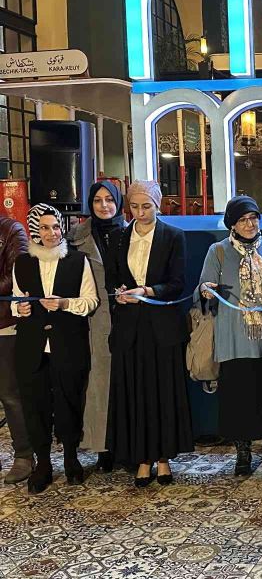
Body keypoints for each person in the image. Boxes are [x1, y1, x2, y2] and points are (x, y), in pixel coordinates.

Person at [105, 181, 194, 487]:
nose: (140, 213)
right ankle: (142, 459)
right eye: (134, 207)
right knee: (135, 393)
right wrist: (119, 293)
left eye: (147, 207)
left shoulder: (173, 236)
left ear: (158, 205)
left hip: (162, 327)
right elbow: (111, 278)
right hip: (129, 327)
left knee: (163, 392)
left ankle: (164, 458)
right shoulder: (118, 237)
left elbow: (178, 283)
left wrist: (146, 291)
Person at [12, 204, 98, 493]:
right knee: (35, 406)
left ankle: (71, 459)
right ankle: (43, 465)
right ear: (35, 231)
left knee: (69, 403)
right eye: (45, 228)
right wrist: (21, 309)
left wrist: (64, 304)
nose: (52, 233)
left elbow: (90, 301)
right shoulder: (22, 262)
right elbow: (16, 301)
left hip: (68, 345)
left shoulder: (77, 261)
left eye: (56, 227)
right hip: (31, 347)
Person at [199, 196, 262, 476]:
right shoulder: (218, 251)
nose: (249, 224)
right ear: (232, 225)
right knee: (238, 398)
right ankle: (243, 451)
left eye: (253, 218)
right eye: (242, 220)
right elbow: (202, 287)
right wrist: (206, 290)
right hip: (234, 337)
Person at [67, 181, 126, 473]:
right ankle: (103, 446)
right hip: (93, 320)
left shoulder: (131, 233)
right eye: (98, 200)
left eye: (109, 200)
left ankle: (128, 445)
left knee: (127, 383)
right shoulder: (75, 238)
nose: (104, 206)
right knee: (99, 384)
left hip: (128, 317)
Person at [0, 213, 33, 484]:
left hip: (4, 324)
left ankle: (24, 455)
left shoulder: (11, 230)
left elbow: (15, 276)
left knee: (10, 395)